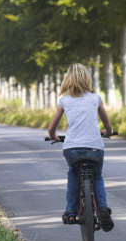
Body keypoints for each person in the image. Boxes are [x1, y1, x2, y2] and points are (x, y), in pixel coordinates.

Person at [48, 63, 114, 232]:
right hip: (94, 148)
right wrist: (108, 131)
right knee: (97, 177)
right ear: (87, 78)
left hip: (72, 149)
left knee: (73, 174)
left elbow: (51, 127)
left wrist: (52, 136)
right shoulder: (95, 98)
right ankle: (103, 208)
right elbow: (107, 123)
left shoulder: (64, 100)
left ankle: (71, 212)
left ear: (67, 80)